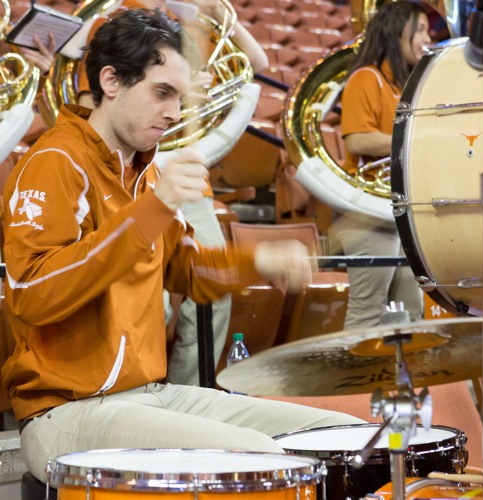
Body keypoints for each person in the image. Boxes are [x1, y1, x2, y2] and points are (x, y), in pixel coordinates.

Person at [1, 9, 364, 484]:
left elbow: (190, 273)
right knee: (258, 459)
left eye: (179, 96)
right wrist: (156, 207)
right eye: (161, 93)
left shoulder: (145, 172)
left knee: (344, 435)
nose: (174, 112)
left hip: (152, 393)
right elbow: (34, 294)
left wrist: (258, 263)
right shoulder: (55, 161)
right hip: (66, 412)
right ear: (111, 81)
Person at [75, 0, 268, 386]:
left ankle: (191, 394)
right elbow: (90, 106)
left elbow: (258, 63)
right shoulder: (119, 21)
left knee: (215, 292)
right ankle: (136, 391)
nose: (176, 109)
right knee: (151, 299)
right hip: (133, 174)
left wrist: (216, 11)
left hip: (185, 174)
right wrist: (168, 94)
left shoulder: (189, 25)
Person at [336, 1, 430, 329]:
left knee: (410, 314)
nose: (427, 37)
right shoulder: (366, 77)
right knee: (368, 314)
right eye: (420, 29)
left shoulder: (399, 86)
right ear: (396, 32)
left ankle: (398, 382)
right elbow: (357, 141)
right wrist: (414, 136)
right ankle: (355, 383)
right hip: (366, 214)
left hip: (397, 211)